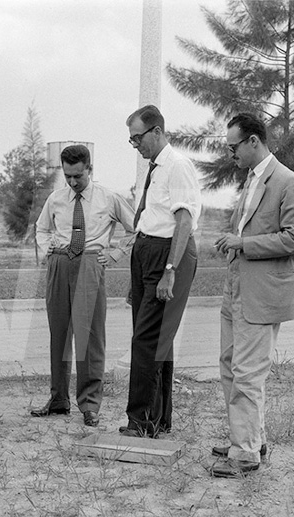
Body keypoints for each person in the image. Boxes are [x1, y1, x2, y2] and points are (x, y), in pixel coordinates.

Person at [210, 113, 294, 477]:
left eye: (234, 146)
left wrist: (244, 243)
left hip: (261, 294)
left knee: (248, 374)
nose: (231, 153)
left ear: (254, 141)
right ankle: (251, 438)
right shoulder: (251, 180)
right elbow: (251, 228)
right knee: (229, 367)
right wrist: (233, 240)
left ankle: (245, 453)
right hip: (236, 288)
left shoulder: (287, 181)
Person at [31, 144, 135, 427]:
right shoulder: (56, 198)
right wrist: (47, 250)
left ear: (90, 168)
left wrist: (115, 253)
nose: (73, 182)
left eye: (78, 175)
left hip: (90, 262)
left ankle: (89, 404)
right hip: (60, 262)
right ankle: (58, 399)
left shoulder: (108, 198)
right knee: (59, 335)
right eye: (68, 176)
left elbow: (137, 228)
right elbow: (41, 228)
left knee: (90, 338)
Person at [122, 105, 201, 438]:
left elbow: (184, 220)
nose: (136, 145)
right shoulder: (155, 169)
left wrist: (170, 269)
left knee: (148, 340)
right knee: (156, 340)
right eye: (131, 140)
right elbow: (151, 217)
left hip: (166, 253)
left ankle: (141, 421)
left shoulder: (178, 166)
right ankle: (159, 418)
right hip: (146, 251)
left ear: (157, 132)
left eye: (138, 138)